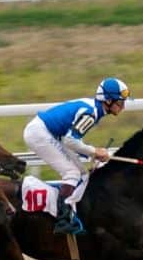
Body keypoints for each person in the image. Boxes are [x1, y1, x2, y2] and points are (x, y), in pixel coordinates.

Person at [22, 78, 129, 234]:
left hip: (50, 133)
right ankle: (62, 220)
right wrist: (94, 151)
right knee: (72, 173)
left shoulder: (94, 108)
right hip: (40, 133)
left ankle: (71, 213)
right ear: (108, 100)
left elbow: (71, 139)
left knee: (83, 173)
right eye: (120, 102)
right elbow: (70, 140)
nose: (123, 106)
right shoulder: (91, 113)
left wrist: (93, 155)